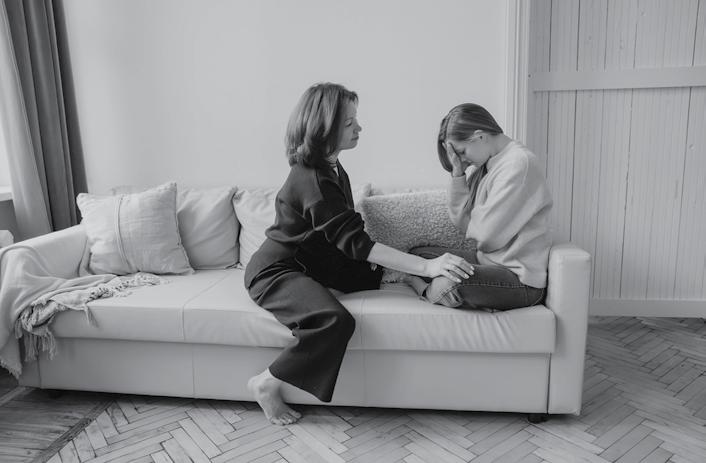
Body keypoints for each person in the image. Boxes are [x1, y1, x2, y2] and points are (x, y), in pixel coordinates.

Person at [244, 83, 474, 425]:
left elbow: (346, 238)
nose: (359, 128)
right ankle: (265, 383)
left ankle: (409, 277)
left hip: (317, 264)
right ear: (325, 128)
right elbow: (359, 245)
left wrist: (415, 267)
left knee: (374, 273)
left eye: (356, 120)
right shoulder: (312, 180)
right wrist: (427, 266)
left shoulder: (333, 167)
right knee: (334, 321)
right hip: (278, 271)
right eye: (350, 122)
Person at [402, 103, 553, 312]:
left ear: (480, 136)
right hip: (487, 263)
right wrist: (458, 173)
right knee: (417, 257)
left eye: (462, 152)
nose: (463, 159)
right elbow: (464, 223)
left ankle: (427, 290)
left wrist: (475, 225)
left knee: (450, 282)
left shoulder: (519, 164)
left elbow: (486, 236)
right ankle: (439, 287)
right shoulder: (489, 164)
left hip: (519, 280)